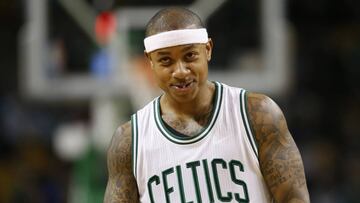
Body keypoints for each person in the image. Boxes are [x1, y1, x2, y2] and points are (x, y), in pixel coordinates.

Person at [104, 7, 310, 203]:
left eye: (190, 56)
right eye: (166, 61)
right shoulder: (129, 142)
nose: (181, 71)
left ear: (208, 50)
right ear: (150, 61)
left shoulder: (257, 114)